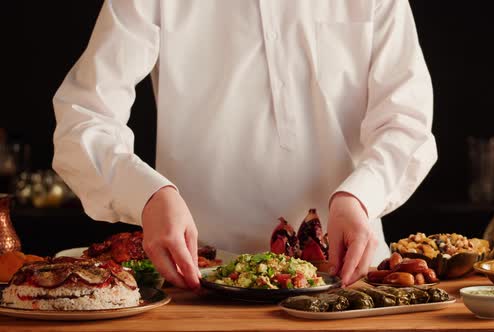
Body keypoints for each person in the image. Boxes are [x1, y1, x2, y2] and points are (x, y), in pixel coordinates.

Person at [53, 0, 436, 290]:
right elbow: (84, 116)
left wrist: (361, 197)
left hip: (349, 275)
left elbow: (406, 121)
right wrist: (148, 196)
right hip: (199, 277)